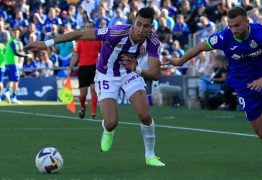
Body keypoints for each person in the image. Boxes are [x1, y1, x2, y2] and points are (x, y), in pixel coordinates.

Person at [25, 7, 165, 167]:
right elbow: (80, 34)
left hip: (130, 73)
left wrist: (137, 69)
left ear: (151, 27)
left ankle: (150, 155)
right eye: (138, 24)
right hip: (106, 75)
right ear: (134, 21)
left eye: (146, 26)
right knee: (112, 122)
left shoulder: (152, 41)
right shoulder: (115, 33)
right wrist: (46, 43)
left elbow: (155, 73)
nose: (141, 29)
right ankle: (108, 129)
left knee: (145, 116)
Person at [166, 6, 262, 167]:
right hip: (243, 85)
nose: (233, 29)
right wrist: (180, 61)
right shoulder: (224, 37)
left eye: (237, 25)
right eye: (230, 26)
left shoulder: (260, 33)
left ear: (246, 21)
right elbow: (201, 46)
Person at [68, 21, 102, 120]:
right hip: (83, 68)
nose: (89, 28)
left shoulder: (97, 40)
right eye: (87, 26)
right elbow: (76, 55)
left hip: (94, 67)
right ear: (85, 28)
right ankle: (83, 107)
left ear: (93, 28)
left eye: (90, 26)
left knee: (93, 90)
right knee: (83, 94)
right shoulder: (80, 41)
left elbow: (103, 52)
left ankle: (93, 114)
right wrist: (70, 67)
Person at [4, 28, 31, 104]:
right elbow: (15, 53)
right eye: (14, 32)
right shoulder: (13, 41)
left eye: (17, 33)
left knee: (12, 80)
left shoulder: (10, 42)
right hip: (13, 63)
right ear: (11, 33)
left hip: (9, 64)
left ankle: (8, 93)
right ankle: (12, 96)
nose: (16, 34)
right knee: (16, 80)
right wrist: (26, 55)